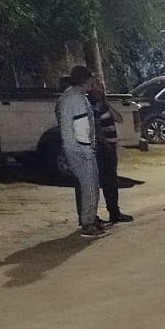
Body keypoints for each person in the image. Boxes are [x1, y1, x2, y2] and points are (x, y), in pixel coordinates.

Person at [57, 65, 103, 237]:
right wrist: (88, 150)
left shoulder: (70, 96)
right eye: (91, 79)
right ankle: (88, 223)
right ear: (84, 79)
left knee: (89, 186)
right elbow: (81, 127)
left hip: (75, 148)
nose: (93, 82)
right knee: (90, 187)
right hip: (80, 150)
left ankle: (90, 219)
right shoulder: (76, 98)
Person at [88, 77, 132, 224]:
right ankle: (103, 214)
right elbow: (96, 126)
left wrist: (107, 104)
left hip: (111, 146)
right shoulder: (92, 105)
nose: (101, 89)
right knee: (106, 180)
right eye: (97, 86)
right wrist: (105, 143)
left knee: (112, 181)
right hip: (103, 148)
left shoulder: (104, 105)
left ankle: (114, 212)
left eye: (101, 86)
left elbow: (119, 119)